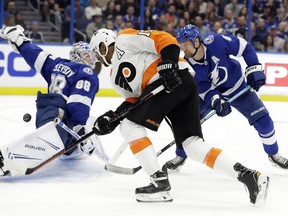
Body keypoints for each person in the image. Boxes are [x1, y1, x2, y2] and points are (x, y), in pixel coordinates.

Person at [89, 28, 269, 204]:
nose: (97, 57)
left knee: (129, 127)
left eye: (98, 51)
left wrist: (168, 63)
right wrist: (111, 118)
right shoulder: (114, 77)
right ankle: (248, 176)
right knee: (192, 145)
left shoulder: (124, 38)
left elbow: (165, 39)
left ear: (103, 44)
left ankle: (159, 183)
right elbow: (134, 101)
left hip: (174, 79)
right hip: (176, 87)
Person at [164, 24, 288, 173]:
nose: (183, 49)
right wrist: (216, 100)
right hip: (212, 94)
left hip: (238, 88)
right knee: (188, 122)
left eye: (186, 45)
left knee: (264, 121)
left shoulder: (217, 42)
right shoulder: (188, 66)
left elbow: (245, 47)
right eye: (181, 46)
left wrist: (254, 68)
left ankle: (274, 155)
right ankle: (181, 155)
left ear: (196, 41)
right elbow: (203, 87)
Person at [0, 25, 103, 176]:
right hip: (60, 113)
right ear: (78, 55)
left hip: (45, 111)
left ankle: (74, 147)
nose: (92, 59)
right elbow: (77, 103)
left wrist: (20, 40)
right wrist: (81, 128)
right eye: (88, 55)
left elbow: (35, 55)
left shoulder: (56, 63)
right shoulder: (86, 72)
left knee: (64, 146)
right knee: (47, 144)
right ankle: (6, 159)